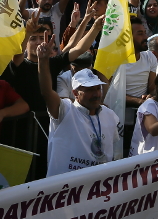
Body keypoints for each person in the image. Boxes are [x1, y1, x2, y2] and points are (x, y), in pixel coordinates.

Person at [38, 34, 122, 177]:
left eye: (97, 88)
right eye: (89, 90)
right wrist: (43, 60)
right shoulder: (65, 110)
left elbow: (111, 153)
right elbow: (47, 92)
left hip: (97, 186)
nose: (96, 94)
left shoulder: (110, 115)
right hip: (65, 187)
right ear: (75, 93)